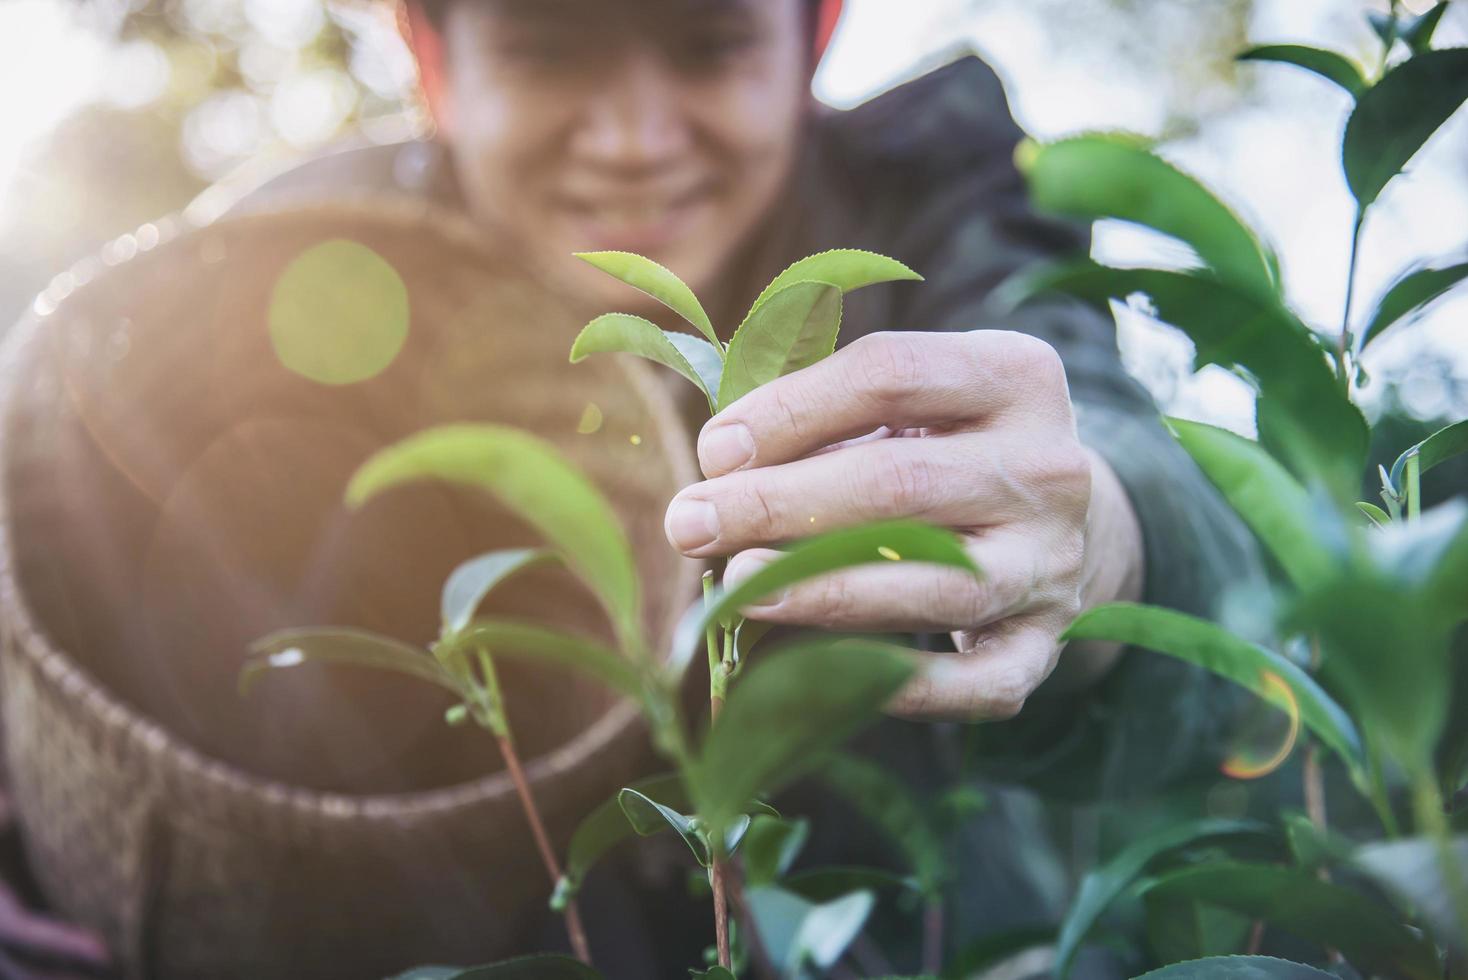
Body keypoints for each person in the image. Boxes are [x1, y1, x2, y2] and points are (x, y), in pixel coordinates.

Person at [12, 0, 1266, 975]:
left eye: (710, 48)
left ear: (807, 39)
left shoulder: (928, 205)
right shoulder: (283, 268)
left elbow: (1134, 481)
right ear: (434, 61)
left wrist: (1103, 530)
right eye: (550, 54)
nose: (631, 139)